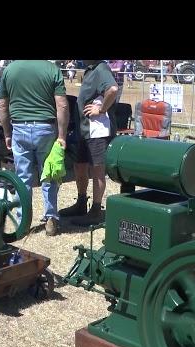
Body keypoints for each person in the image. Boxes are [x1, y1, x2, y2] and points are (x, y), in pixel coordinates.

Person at [0, 60, 69, 236]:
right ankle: (51, 217)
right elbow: (62, 105)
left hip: (19, 127)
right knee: (49, 173)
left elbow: (2, 105)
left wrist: (7, 133)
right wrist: (62, 135)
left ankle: (23, 221)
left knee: (23, 178)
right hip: (45, 128)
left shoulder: (9, 70)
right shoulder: (52, 69)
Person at [59, 60, 118, 226]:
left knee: (97, 169)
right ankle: (81, 202)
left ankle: (96, 210)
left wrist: (101, 109)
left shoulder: (101, 68)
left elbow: (112, 90)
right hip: (84, 129)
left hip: (97, 130)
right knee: (80, 165)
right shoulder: (90, 70)